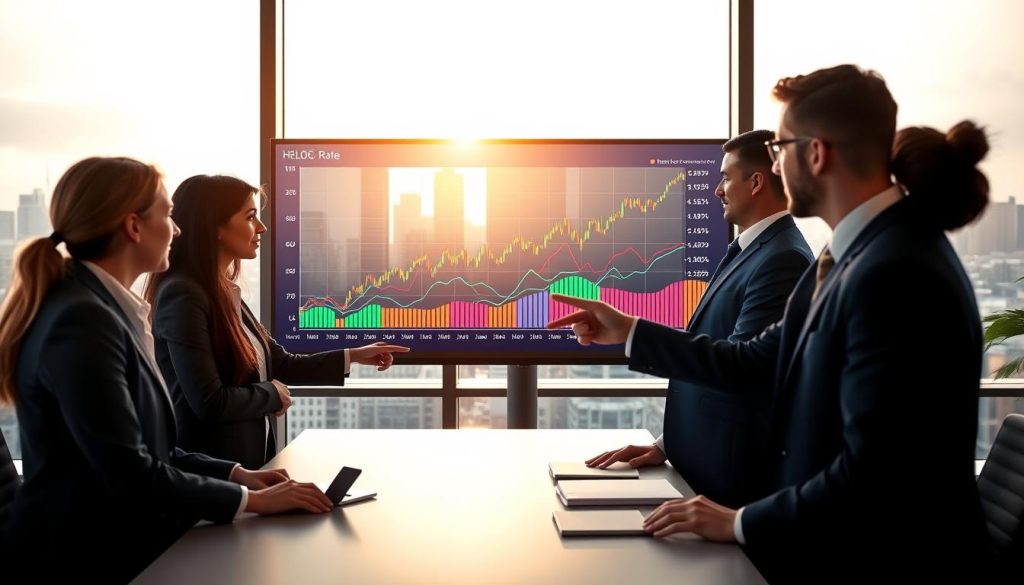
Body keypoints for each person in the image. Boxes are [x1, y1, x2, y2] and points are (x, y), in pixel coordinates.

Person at [549, 65, 991, 581]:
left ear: (816, 152)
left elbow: (875, 474)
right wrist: (629, 331)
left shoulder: (893, 273)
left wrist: (741, 522)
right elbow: (757, 359)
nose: (776, 166)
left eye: (780, 148)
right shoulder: (856, 255)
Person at [0, 157, 333, 583]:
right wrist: (251, 500)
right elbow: (130, 473)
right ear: (134, 227)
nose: (177, 229)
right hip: (83, 557)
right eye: (169, 215)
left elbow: (150, 450)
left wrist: (237, 474)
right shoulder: (81, 322)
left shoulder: (104, 310)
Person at [586, 129, 812, 508]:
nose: (717, 190)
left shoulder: (782, 259)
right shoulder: (752, 249)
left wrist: (632, 331)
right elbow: (718, 344)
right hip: (701, 469)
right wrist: (667, 445)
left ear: (756, 182)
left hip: (728, 485)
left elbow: (743, 367)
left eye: (725, 177)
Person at [145, 175, 409, 470]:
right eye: (250, 217)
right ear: (215, 228)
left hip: (248, 472)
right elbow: (209, 401)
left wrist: (355, 355)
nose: (262, 228)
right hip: (212, 478)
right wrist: (272, 394)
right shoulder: (184, 295)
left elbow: (278, 362)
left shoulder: (222, 292)